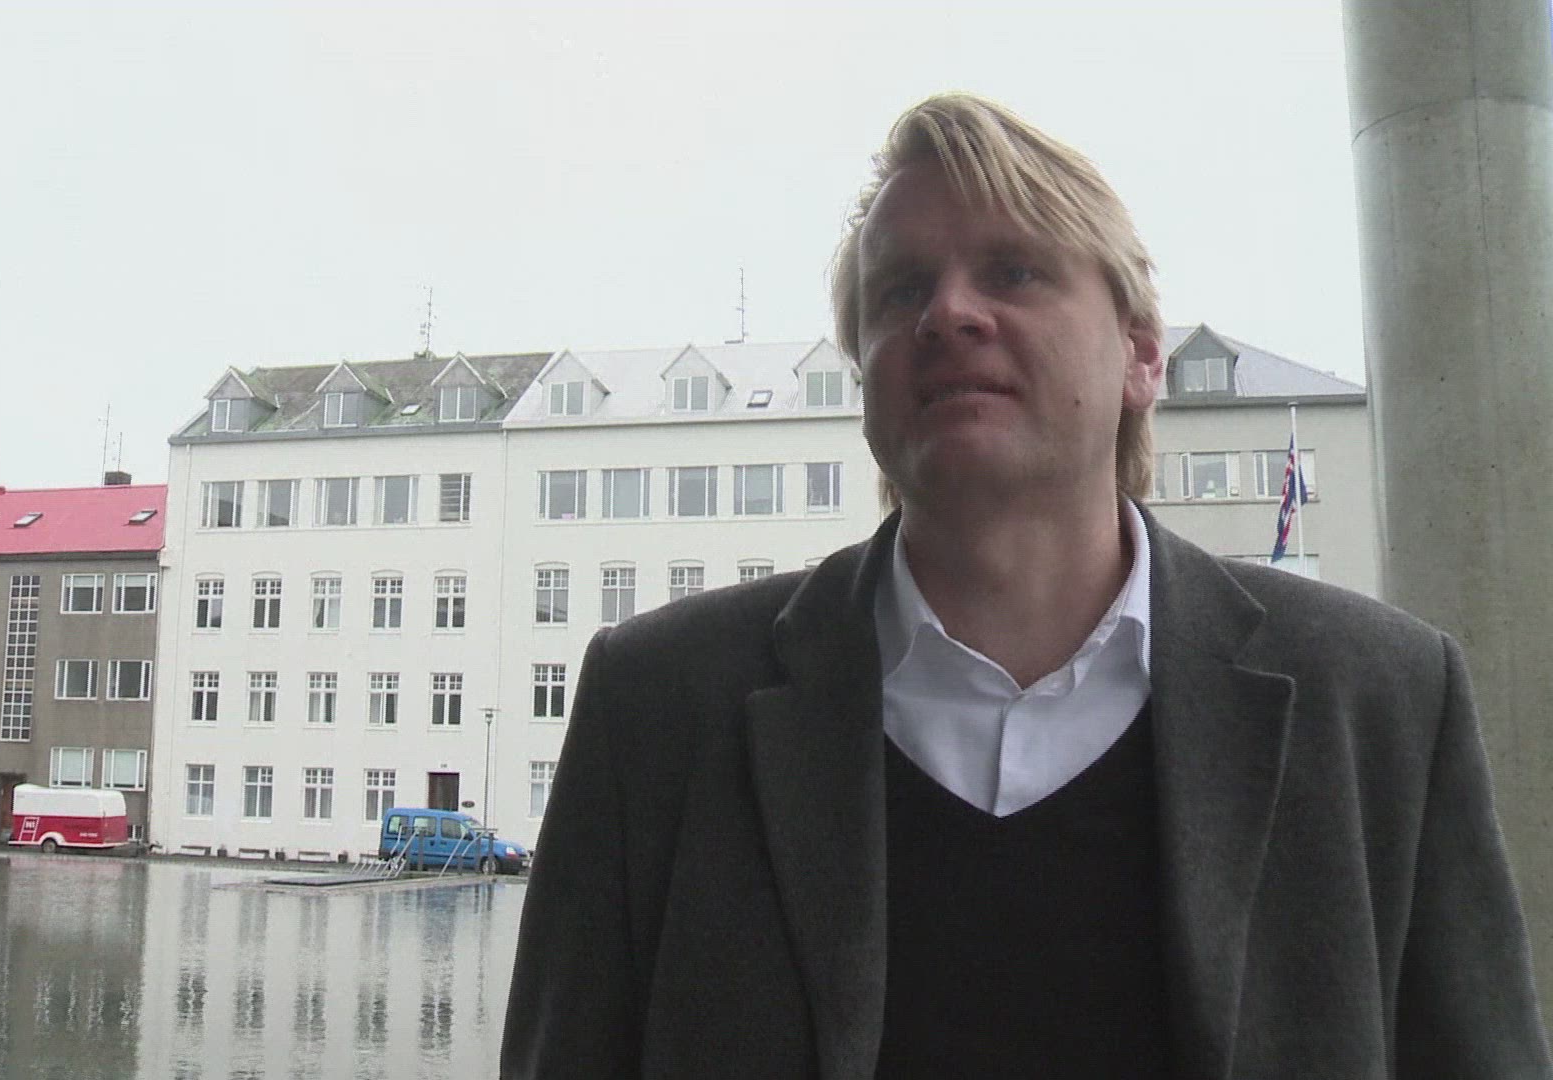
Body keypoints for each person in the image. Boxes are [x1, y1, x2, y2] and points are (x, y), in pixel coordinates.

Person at [500, 92, 1552, 1079]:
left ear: (1142, 356)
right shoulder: (660, 707)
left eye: (1012, 272)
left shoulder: (1380, 701)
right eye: (901, 290)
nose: (947, 313)